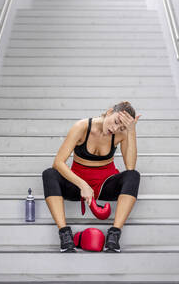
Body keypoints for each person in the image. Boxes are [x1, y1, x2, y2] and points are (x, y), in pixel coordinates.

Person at [42, 101, 141, 253]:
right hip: (78, 186)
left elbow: (130, 167)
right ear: (109, 112)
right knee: (49, 174)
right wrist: (83, 185)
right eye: (115, 122)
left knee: (133, 176)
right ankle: (65, 235)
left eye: (121, 127)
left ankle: (114, 235)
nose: (115, 129)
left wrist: (131, 131)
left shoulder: (122, 133)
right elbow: (58, 163)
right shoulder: (81, 127)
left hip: (104, 185)